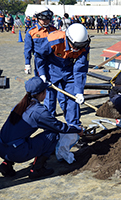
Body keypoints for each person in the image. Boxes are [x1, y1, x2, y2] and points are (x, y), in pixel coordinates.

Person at [0, 77, 83, 179]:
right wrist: (78, 129)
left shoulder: (20, 106)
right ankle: (37, 169)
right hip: (16, 152)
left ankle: (6, 165)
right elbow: (59, 127)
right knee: (53, 134)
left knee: (16, 134)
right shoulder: (39, 111)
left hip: (2, 148)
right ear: (42, 93)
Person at [35, 23, 90, 164]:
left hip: (68, 73)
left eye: (79, 47)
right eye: (75, 46)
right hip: (50, 72)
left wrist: (79, 91)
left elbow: (80, 69)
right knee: (50, 104)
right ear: (68, 38)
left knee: (73, 103)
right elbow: (40, 57)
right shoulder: (54, 40)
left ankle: (72, 134)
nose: (77, 49)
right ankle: (50, 138)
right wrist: (42, 75)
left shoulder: (83, 45)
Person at [24, 6, 56, 75]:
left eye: (48, 19)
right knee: (41, 81)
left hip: (53, 61)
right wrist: (27, 64)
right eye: (43, 20)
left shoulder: (54, 30)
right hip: (39, 61)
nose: (46, 22)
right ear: (38, 18)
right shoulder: (31, 32)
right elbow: (28, 49)